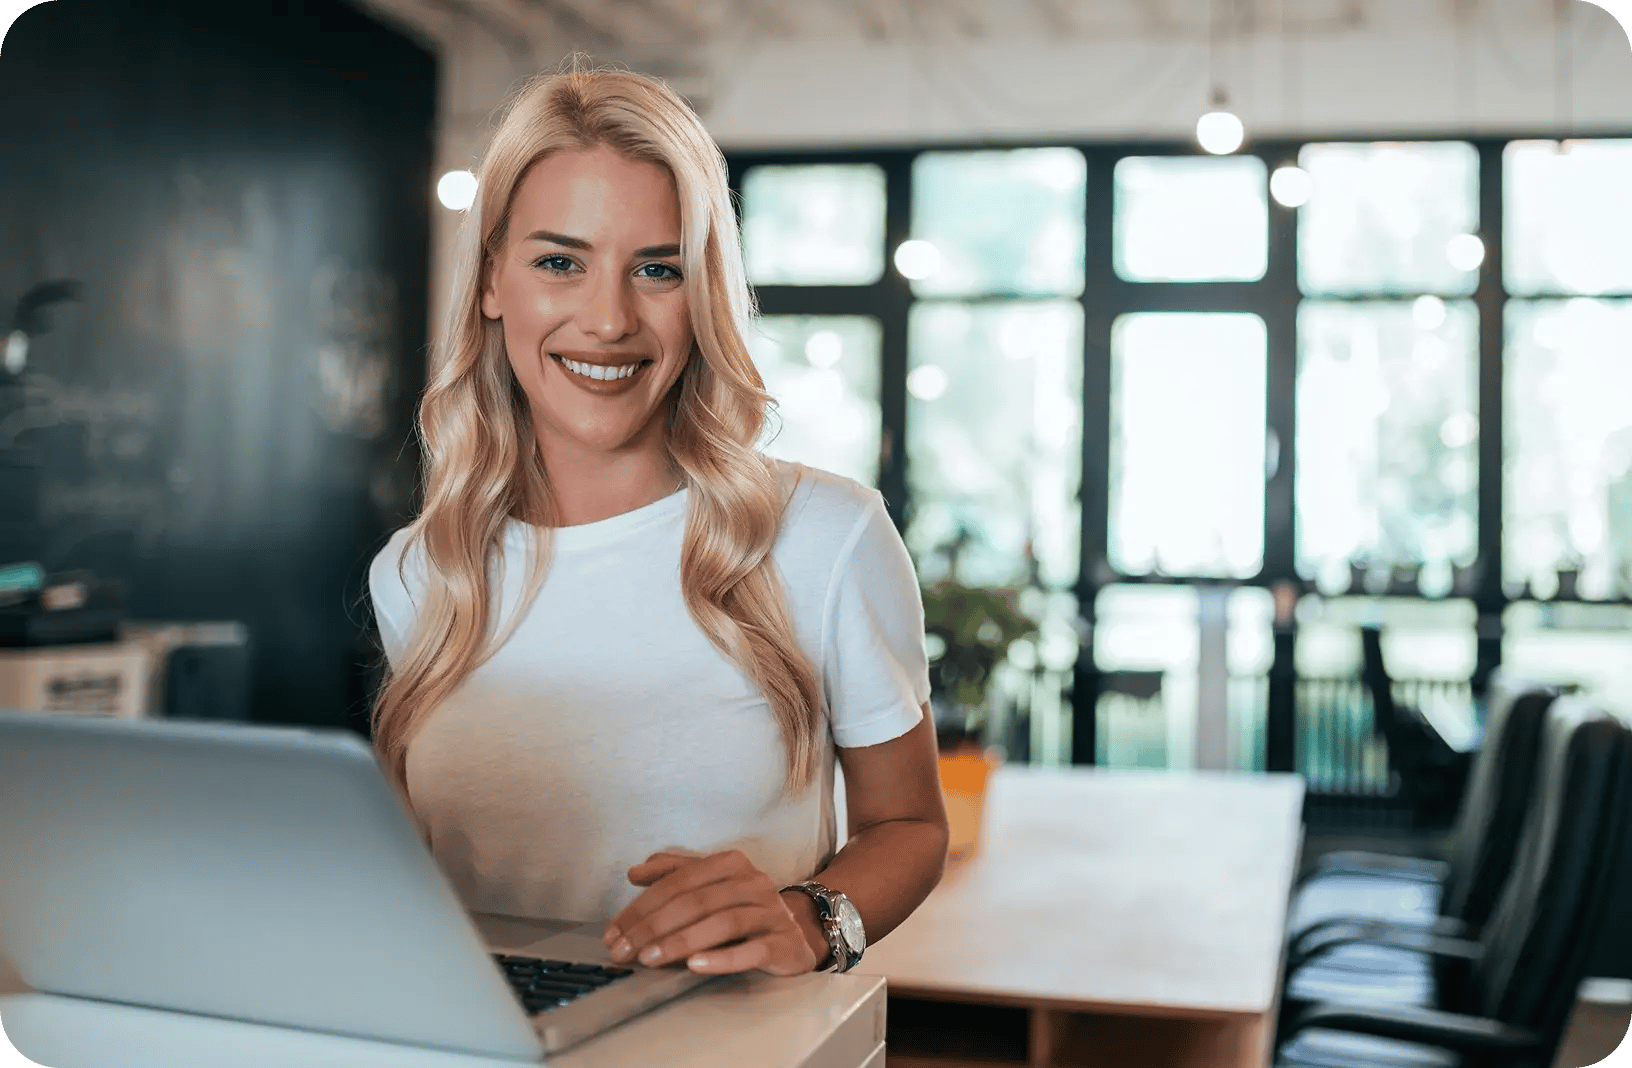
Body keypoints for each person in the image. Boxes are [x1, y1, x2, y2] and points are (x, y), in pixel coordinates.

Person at [368, 63, 948, 980]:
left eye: (658, 269)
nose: (608, 319)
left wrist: (810, 919)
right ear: (491, 282)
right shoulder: (417, 569)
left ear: (703, 291)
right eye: (560, 262)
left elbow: (910, 826)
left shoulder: (826, 537)